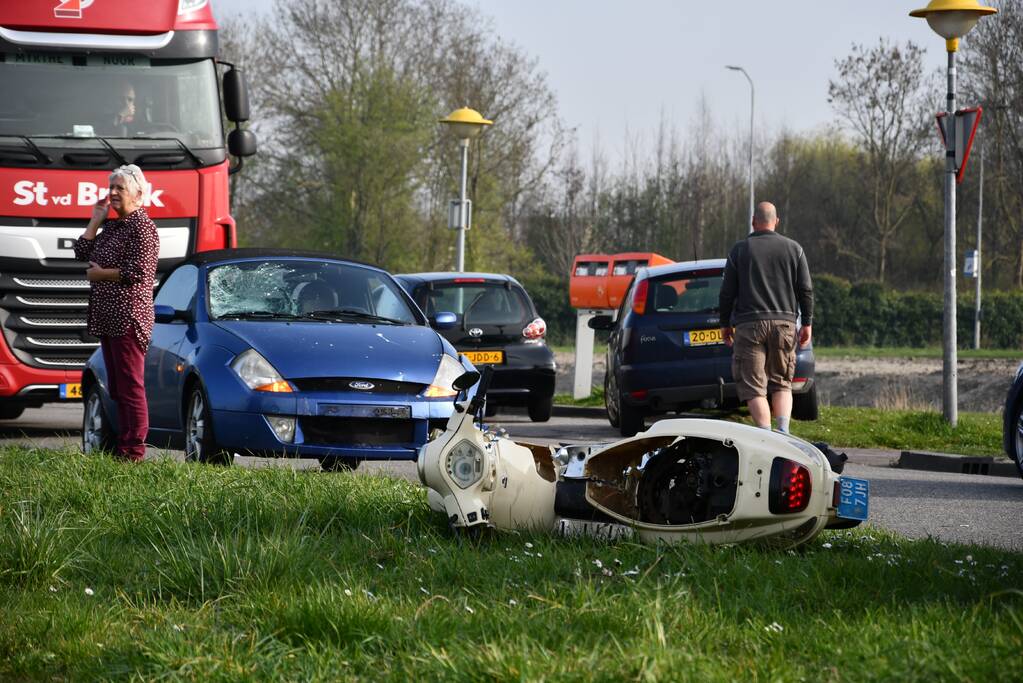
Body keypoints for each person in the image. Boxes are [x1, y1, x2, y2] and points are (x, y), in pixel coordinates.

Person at [74, 164, 160, 461]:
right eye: (110, 187)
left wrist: (103, 276)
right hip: (108, 318)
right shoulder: (113, 226)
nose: (112, 193)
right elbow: (81, 252)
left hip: (128, 318)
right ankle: (123, 449)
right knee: (117, 388)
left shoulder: (143, 227)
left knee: (131, 386)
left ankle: (133, 452)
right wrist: (96, 220)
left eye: (119, 188)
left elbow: (142, 272)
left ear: (138, 194)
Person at [719, 201, 813, 434]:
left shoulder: (739, 251)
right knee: (782, 383)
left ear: (754, 221)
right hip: (784, 324)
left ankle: (765, 435)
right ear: (776, 221)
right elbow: (805, 289)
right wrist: (807, 322)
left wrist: (724, 324)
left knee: (754, 388)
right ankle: (783, 433)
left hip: (749, 326)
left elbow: (727, 293)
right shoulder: (795, 249)